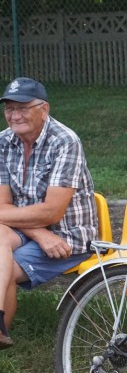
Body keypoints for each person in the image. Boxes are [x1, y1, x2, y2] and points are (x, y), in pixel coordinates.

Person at [0, 77, 97, 350]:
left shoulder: (65, 141)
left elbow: (52, 212)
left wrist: (44, 231)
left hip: (68, 238)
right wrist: (40, 235)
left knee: (1, 265)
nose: (14, 115)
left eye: (23, 107)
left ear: (44, 109)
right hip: (29, 233)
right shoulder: (3, 142)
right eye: (9, 108)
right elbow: (1, 207)